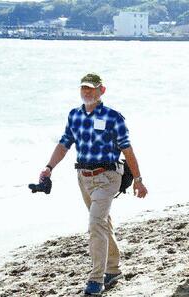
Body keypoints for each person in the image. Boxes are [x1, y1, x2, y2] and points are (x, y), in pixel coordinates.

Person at [38, 73, 148, 295]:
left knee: (95, 223)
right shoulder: (74, 115)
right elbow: (64, 144)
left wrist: (138, 179)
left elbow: (127, 150)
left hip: (108, 177)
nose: (87, 92)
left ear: (101, 91)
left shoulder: (113, 117)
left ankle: (96, 279)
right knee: (101, 222)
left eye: (91, 88)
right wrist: (49, 168)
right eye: (83, 88)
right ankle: (114, 268)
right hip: (83, 177)